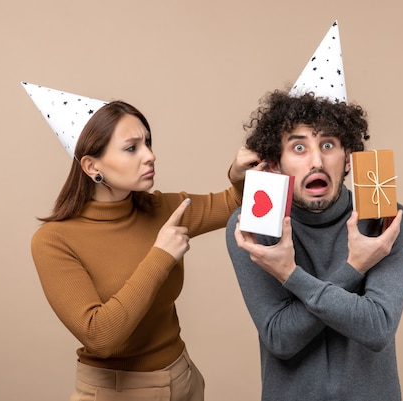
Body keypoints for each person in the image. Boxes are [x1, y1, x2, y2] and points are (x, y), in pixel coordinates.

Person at [31, 100, 261, 401]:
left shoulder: (161, 208)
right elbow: (100, 336)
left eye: (148, 143)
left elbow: (235, 203)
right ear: (91, 166)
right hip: (115, 393)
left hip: (184, 381)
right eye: (132, 148)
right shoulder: (54, 240)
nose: (150, 155)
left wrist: (237, 174)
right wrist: (161, 255)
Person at [226, 90, 403, 401]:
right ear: (276, 164)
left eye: (328, 145)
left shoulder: (385, 221)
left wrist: (290, 275)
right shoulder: (254, 229)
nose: (316, 160)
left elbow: (378, 329)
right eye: (298, 147)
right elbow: (280, 338)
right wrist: (355, 268)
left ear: (349, 158)